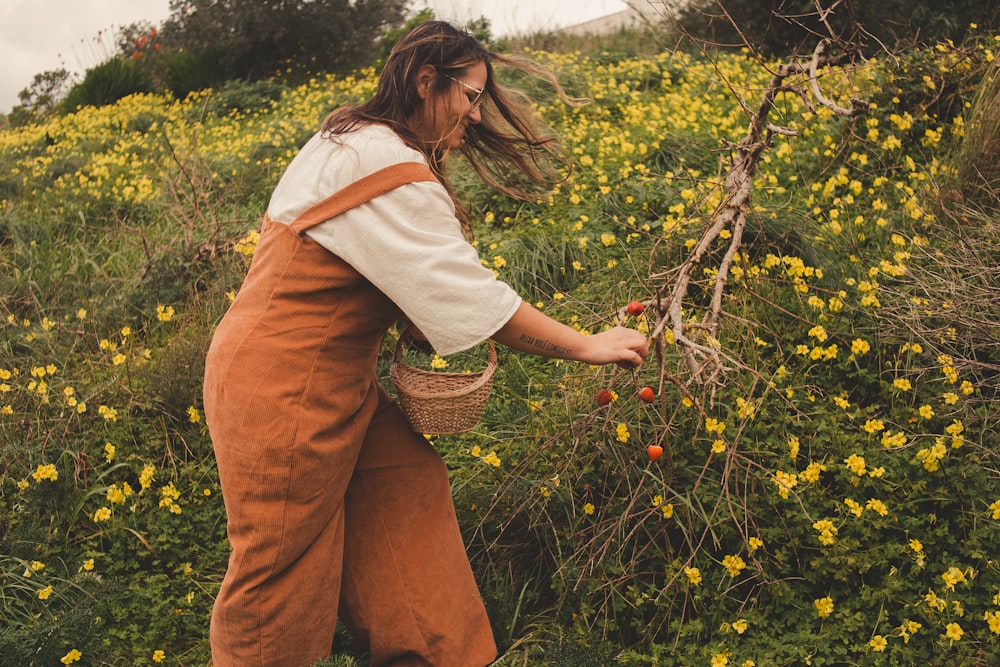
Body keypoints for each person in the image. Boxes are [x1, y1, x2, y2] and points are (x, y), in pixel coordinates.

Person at [202, 19, 649, 667]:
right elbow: (482, 304)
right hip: (282, 388)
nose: (474, 114)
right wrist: (586, 344)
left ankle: (434, 654)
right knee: (280, 567)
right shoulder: (388, 162)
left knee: (402, 483)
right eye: (469, 96)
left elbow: (356, 259)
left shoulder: (349, 135)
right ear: (424, 81)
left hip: (331, 379)